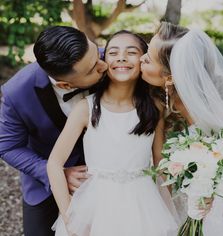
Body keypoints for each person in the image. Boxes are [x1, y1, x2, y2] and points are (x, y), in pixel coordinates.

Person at [47, 30, 178, 236]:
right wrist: (69, 216)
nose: (121, 57)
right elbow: (54, 163)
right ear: (104, 61)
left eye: (131, 52)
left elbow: (160, 161)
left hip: (143, 205)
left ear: (144, 60)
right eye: (113, 52)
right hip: (96, 206)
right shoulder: (85, 108)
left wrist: (168, 209)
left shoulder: (155, 107)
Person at [0, 26, 107, 236]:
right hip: (44, 185)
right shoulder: (16, 92)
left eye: (97, 53)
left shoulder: (111, 60)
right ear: (65, 85)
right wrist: (54, 173)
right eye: (93, 68)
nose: (103, 65)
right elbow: (8, 146)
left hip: (110, 175)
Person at [140, 21, 223, 235]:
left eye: (148, 58)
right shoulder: (168, 101)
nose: (140, 59)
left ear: (170, 77)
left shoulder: (221, 113)